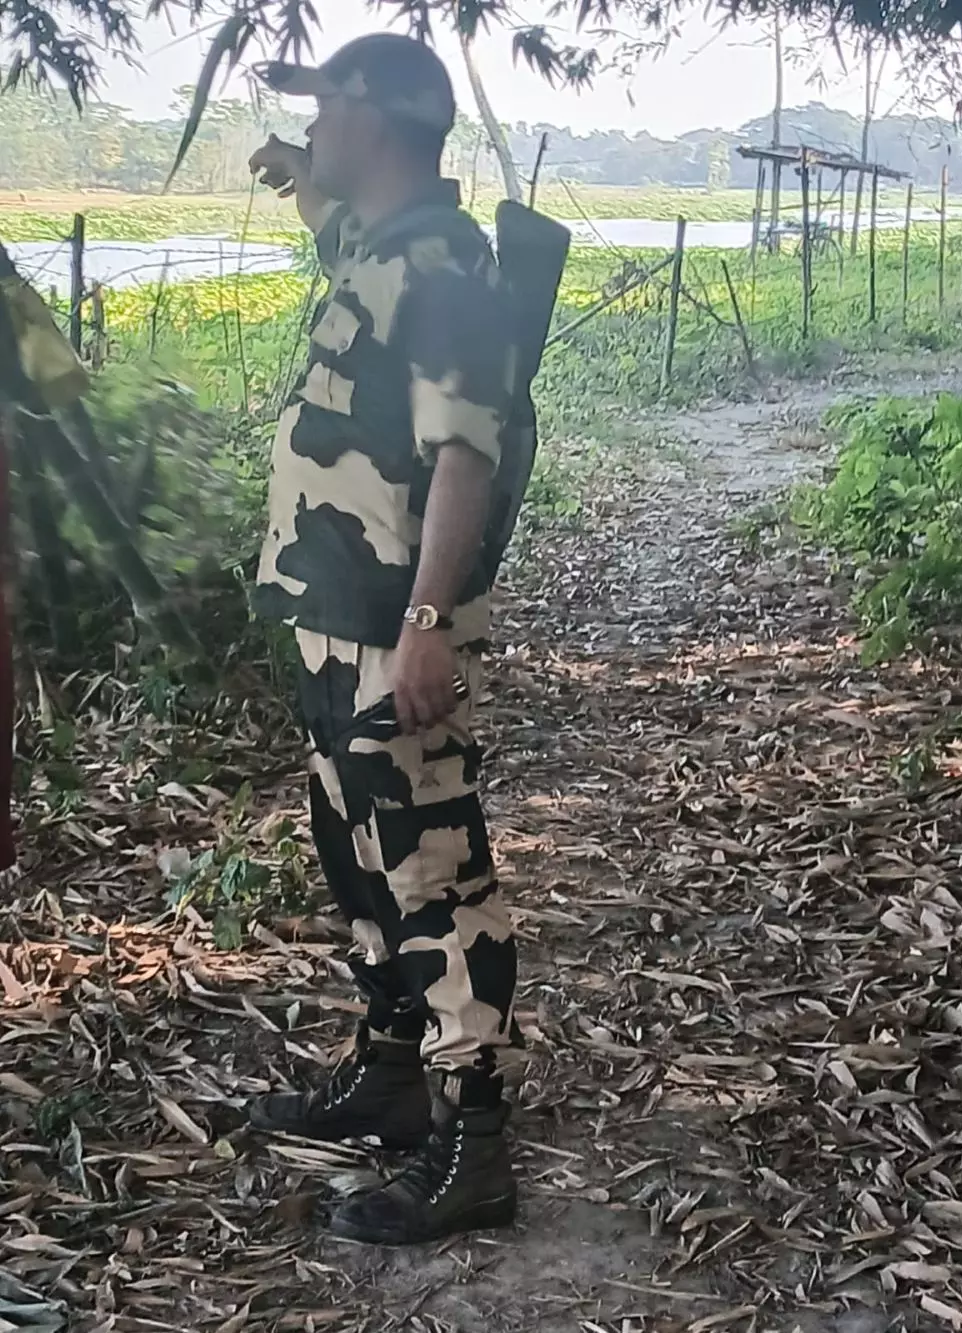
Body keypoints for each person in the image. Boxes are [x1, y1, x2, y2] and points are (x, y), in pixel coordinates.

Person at [246, 32, 521, 1246]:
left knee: (430, 875)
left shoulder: (447, 273)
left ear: (386, 118)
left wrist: (426, 627)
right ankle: (393, 1074)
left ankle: (476, 1145)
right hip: (328, 618)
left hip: (386, 630)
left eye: (325, 106)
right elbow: (332, 227)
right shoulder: (382, 246)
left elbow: (466, 453)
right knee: (356, 858)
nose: (311, 124)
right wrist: (297, 174)